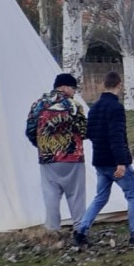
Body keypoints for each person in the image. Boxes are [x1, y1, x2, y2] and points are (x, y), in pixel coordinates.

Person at [74, 71, 134, 247]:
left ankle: (81, 230)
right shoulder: (116, 108)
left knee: (100, 197)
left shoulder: (94, 107)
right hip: (115, 161)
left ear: (105, 84)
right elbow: (116, 136)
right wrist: (121, 162)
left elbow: (90, 133)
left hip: (100, 161)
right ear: (119, 85)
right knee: (133, 195)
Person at [25, 72, 87, 236]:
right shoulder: (73, 105)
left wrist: (42, 146)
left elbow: (30, 131)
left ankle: (52, 231)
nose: (74, 92)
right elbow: (83, 130)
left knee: (51, 194)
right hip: (72, 156)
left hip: (47, 157)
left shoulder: (38, 105)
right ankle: (80, 230)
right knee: (76, 196)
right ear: (65, 87)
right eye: (73, 88)